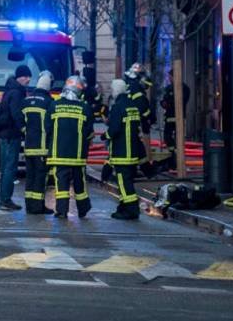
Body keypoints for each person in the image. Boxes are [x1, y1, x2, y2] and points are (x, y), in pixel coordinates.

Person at [47, 76, 94, 218]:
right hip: (77, 154)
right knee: (80, 182)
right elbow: (89, 132)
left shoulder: (54, 105)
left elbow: (47, 128)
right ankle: (83, 208)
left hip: (58, 153)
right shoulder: (84, 107)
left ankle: (62, 211)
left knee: (61, 183)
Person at [105, 78, 145, 219]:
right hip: (132, 153)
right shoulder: (132, 106)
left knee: (124, 183)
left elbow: (114, 129)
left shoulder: (118, 107)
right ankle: (123, 207)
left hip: (122, 153)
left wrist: (105, 135)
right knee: (127, 181)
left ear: (116, 90)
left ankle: (131, 210)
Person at [0, 64, 29, 211]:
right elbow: (16, 113)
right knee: (10, 168)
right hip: (11, 135)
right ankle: (6, 200)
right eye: (27, 77)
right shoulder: (16, 92)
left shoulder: (9, 90)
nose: (28, 80)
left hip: (5, 134)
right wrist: (23, 128)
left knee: (5, 168)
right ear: (22, 77)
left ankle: (4, 199)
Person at [22, 70, 55, 214]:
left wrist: (26, 132)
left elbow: (21, 121)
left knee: (30, 176)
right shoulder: (49, 102)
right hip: (42, 147)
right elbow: (51, 125)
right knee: (41, 177)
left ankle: (29, 205)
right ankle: (37, 206)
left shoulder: (27, 100)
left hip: (28, 146)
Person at [160, 74, 190, 172]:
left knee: (179, 139)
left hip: (179, 117)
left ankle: (178, 161)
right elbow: (164, 100)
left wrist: (169, 102)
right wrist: (163, 103)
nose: (169, 79)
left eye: (171, 77)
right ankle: (171, 159)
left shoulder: (184, 88)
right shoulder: (168, 88)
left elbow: (182, 100)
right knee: (167, 137)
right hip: (169, 117)